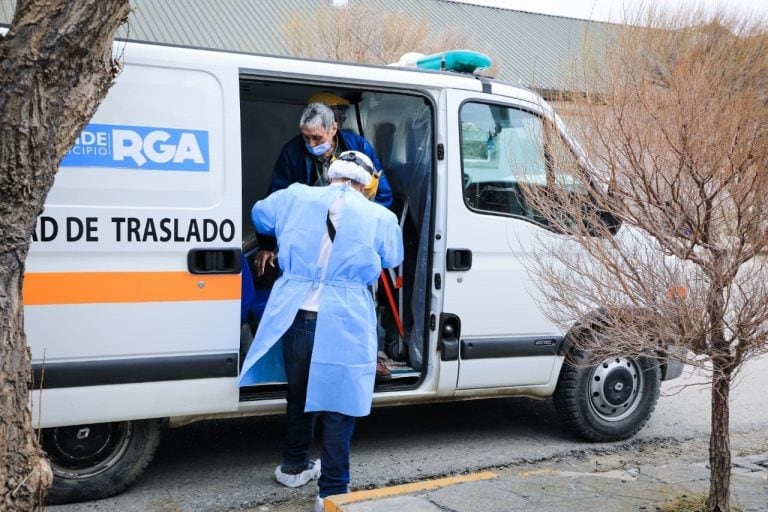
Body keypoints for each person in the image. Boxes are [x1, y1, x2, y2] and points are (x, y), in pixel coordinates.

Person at [239, 151, 404, 512]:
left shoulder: (295, 195)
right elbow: (392, 257)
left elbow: (259, 214)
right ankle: (331, 492)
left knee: (299, 394)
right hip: (343, 318)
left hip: (296, 313)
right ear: (367, 182)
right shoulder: (380, 216)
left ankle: (294, 465)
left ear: (332, 176)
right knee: (338, 405)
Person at [256, 99, 395, 380]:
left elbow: (383, 194)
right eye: (306, 137)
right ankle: (307, 361)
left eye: (316, 138)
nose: (310, 143)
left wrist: (368, 227)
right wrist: (267, 244)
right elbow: (274, 203)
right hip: (310, 241)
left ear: (333, 129)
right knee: (307, 303)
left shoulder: (358, 148)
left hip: (351, 241)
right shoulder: (292, 153)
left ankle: (367, 357)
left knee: (357, 303)